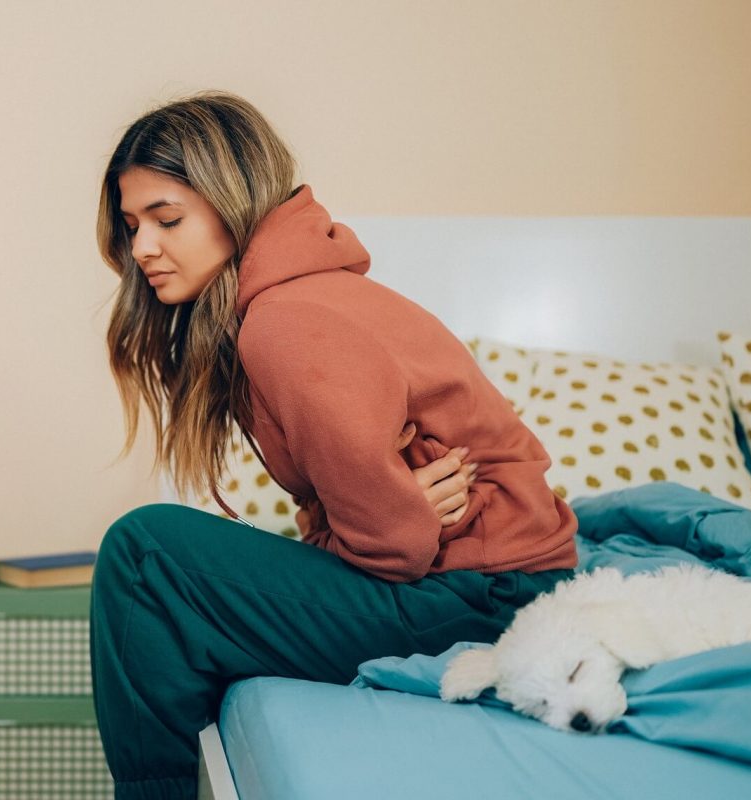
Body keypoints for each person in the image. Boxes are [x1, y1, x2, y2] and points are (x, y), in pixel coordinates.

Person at [90, 90, 578, 799]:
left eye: (167, 219)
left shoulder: (285, 321)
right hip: (492, 579)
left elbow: (391, 547)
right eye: (132, 225)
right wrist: (381, 517)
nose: (142, 249)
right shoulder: (299, 300)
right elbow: (377, 524)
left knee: (144, 559)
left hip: (489, 593)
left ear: (235, 203)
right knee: (166, 571)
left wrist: (390, 518)